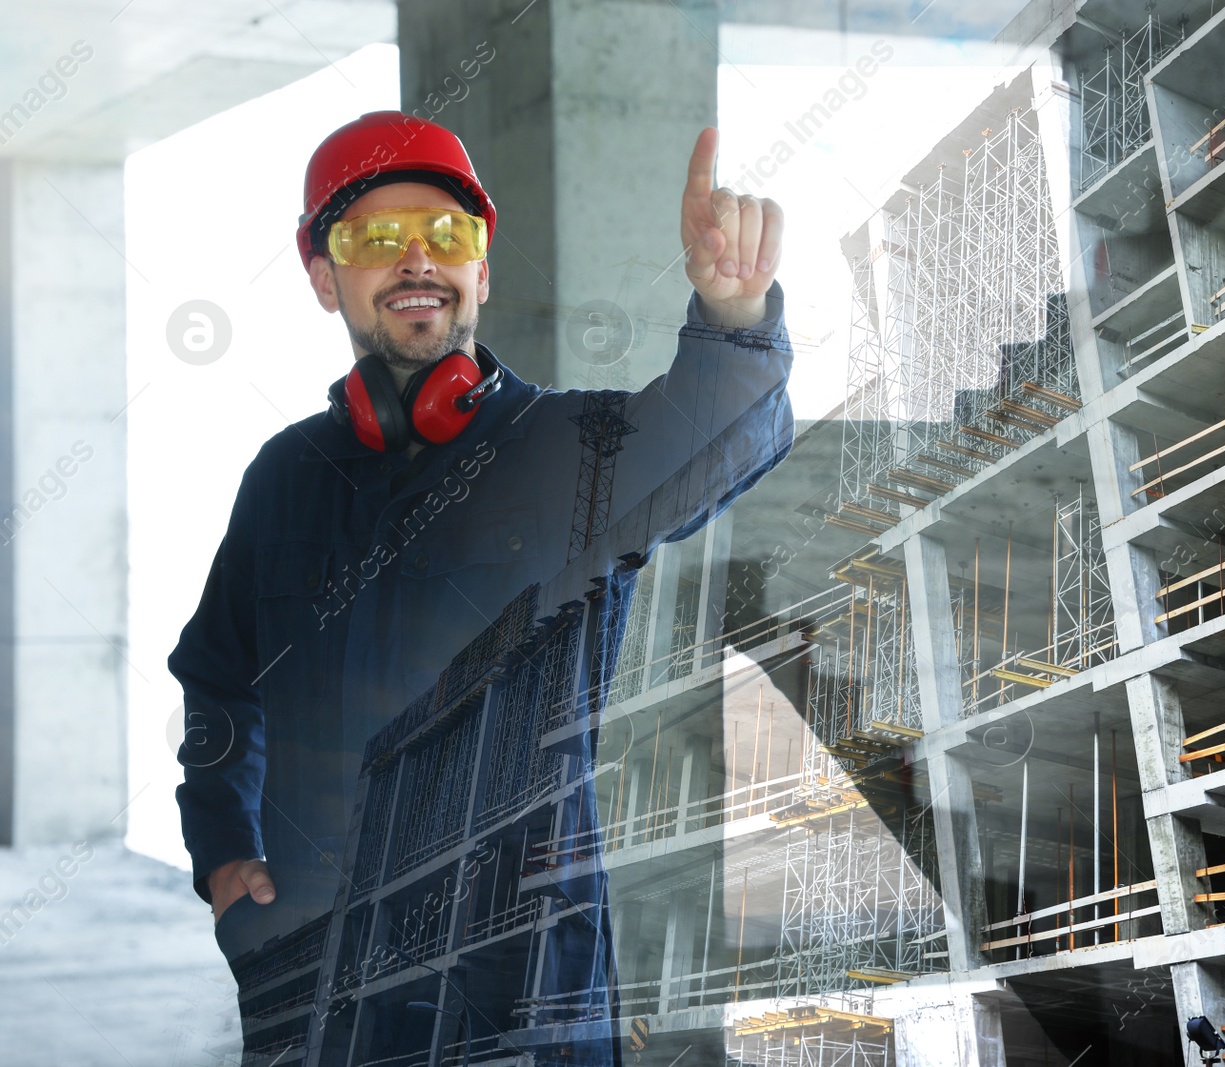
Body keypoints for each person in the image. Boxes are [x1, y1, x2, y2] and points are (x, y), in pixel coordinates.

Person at [168, 110, 792, 1029]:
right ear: (323, 277)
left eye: (446, 235)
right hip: (313, 990)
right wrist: (226, 857)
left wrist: (734, 314)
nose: (417, 259)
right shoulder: (284, 478)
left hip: (522, 991)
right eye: (377, 237)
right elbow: (218, 684)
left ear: (482, 271)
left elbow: (724, 437)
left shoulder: (568, 450)